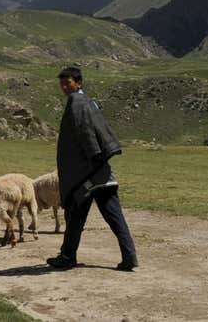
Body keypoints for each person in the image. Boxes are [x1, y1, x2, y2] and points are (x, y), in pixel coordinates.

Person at [46, 65, 138, 271]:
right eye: (61, 83)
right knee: (114, 217)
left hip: (88, 174)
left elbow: (85, 132)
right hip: (104, 173)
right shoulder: (89, 102)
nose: (64, 87)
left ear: (78, 83)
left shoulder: (76, 102)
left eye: (67, 82)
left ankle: (68, 256)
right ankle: (129, 255)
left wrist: (92, 157)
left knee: (75, 217)